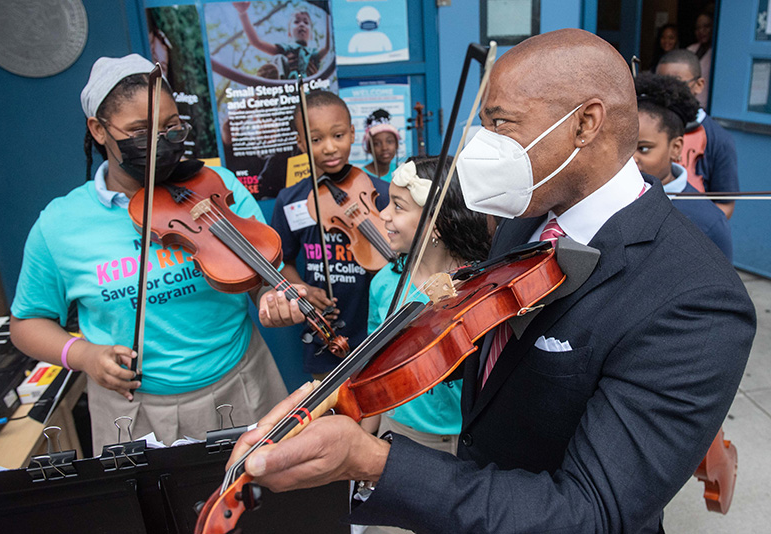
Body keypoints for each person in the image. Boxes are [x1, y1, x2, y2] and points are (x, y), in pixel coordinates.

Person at [227, 29, 756, 533]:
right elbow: (494, 359)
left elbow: (589, 512)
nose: (484, 144)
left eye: (501, 123)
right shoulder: (526, 216)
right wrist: (347, 390)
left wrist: (374, 461)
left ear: (585, 123)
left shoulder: (697, 301)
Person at [9, 54, 305, 453]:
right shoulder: (59, 225)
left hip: (240, 384)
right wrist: (82, 355)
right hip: (131, 410)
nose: (162, 142)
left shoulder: (218, 188)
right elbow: (27, 323)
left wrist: (271, 298)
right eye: (139, 131)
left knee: (266, 503)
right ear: (99, 130)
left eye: (171, 127)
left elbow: (258, 279)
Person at [367, 156, 490, 452]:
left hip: (471, 439)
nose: (383, 214)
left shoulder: (484, 283)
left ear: (438, 223)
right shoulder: (384, 284)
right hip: (401, 433)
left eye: (397, 206)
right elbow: (372, 369)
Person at [270, 90, 390, 379]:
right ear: (301, 144)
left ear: (351, 134)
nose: (329, 148)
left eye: (337, 136)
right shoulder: (290, 200)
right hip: (323, 332)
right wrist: (301, 291)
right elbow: (281, 261)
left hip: (376, 328)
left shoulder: (380, 194)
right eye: (315, 139)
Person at [633, 72, 732, 260]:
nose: (631, 160)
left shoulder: (707, 222)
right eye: (625, 147)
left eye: (644, 148)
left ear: (676, 148)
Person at [657, 49, 739, 219]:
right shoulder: (646, 127)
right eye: (661, 83)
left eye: (677, 83)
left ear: (699, 85)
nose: (667, 91)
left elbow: (725, 206)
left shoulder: (719, 139)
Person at [234, 2, 330, 79]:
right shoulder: (285, 50)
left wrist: (327, 14)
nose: (302, 24)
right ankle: (277, 82)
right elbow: (256, 42)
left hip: (307, 90)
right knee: (278, 58)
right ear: (289, 33)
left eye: (306, 22)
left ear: (311, 35)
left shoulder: (312, 54)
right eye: (296, 21)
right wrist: (243, 14)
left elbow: (326, 48)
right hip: (286, 89)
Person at [362, 109, 400, 182]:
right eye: (377, 143)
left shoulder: (401, 172)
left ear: (397, 145)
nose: (384, 148)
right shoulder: (361, 176)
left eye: (389, 142)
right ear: (369, 148)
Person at [685, 12, 714, 110]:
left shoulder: (717, 54)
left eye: (706, 27)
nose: (701, 31)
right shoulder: (690, 50)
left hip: (707, 107)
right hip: (688, 105)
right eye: (698, 28)